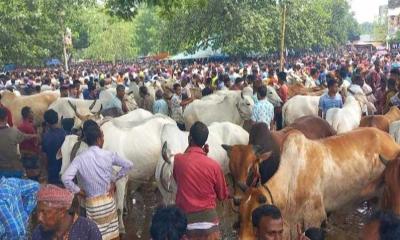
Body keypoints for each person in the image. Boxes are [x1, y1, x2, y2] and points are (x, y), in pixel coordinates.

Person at [62, 124, 133, 240]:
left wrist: (78, 191)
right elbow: (129, 165)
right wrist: (114, 181)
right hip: (108, 203)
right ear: (99, 139)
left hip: (92, 206)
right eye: (103, 136)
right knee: (112, 235)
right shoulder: (109, 155)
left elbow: (65, 178)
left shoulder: (80, 159)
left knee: (94, 235)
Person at [173, 121, 229, 239]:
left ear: (189, 138)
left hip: (186, 223)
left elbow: (178, 179)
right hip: (210, 224)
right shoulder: (214, 166)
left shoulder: (178, 160)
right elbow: (223, 195)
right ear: (205, 142)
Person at [32, 184, 102, 240]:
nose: (39, 218)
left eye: (44, 213)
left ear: (62, 212)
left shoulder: (87, 229)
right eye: (38, 212)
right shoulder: (38, 233)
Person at [0, 107, 36, 178]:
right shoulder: (14, 132)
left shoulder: (17, 129)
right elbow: (26, 136)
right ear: (6, 118)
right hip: (15, 170)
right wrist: (35, 136)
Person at [42, 109, 66, 185]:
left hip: (52, 172)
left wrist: (46, 171)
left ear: (47, 122)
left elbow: (44, 157)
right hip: (64, 170)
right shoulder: (64, 133)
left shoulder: (46, 136)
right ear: (57, 119)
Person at [17, 106, 40, 181]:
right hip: (31, 155)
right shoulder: (29, 127)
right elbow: (36, 142)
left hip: (23, 154)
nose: (33, 113)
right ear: (28, 114)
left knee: (28, 174)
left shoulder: (20, 126)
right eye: (32, 112)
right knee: (34, 176)